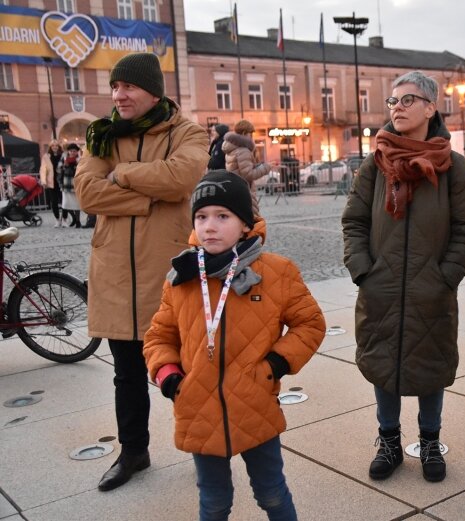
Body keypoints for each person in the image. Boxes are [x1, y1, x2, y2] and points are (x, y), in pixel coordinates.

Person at [144, 171, 325, 521]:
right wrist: (169, 377)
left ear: (245, 223)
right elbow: (158, 337)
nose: (209, 226)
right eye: (201, 216)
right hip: (198, 410)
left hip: (255, 406)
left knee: (272, 494)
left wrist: (275, 365)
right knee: (213, 502)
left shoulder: (276, 272)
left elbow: (310, 323)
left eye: (222, 216)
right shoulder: (181, 280)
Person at [74, 52, 210, 492]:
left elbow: (180, 178)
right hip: (115, 272)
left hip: (169, 277)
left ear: (153, 91)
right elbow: (87, 193)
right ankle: (134, 451)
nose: (119, 95)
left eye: (128, 86)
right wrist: (143, 197)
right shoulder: (101, 135)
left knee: (186, 370)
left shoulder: (185, 131)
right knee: (127, 375)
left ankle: (204, 446)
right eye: (115, 87)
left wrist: (123, 175)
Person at [342, 71, 465, 483]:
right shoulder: (376, 163)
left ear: (430, 107)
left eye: (408, 100)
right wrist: (363, 270)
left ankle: (430, 441)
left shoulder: (453, 167)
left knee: (430, 366)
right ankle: (388, 442)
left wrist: (447, 275)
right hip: (380, 286)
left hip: (431, 289)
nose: (397, 108)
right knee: (383, 364)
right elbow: (353, 221)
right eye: (393, 102)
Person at [222, 119, 272, 216]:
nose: (252, 137)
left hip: (236, 188)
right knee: (250, 220)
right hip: (244, 191)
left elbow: (242, 168)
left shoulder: (232, 148)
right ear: (245, 133)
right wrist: (267, 167)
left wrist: (260, 165)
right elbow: (248, 174)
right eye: (251, 134)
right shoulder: (243, 150)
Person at [56, 143, 82, 227]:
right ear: (68, 151)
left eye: (74, 151)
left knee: (77, 203)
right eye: (71, 151)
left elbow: (82, 170)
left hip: (76, 183)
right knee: (66, 204)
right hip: (66, 183)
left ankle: (78, 221)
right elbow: (58, 170)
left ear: (77, 152)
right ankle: (74, 217)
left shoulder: (79, 159)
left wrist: (75, 166)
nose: (72, 153)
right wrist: (65, 166)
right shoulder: (64, 158)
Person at [39, 140, 64, 227]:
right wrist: (43, 181)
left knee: (64, 201)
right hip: (51, 182)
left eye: (56, 146)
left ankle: (64, 218)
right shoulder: (46, 156)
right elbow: (43, 169)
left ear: (59, 147)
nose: (55, 147)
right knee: (54, 202)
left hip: (62, 182)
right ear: (50, 147)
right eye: (53, 146)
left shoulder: (63, 155)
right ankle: (57, 219)